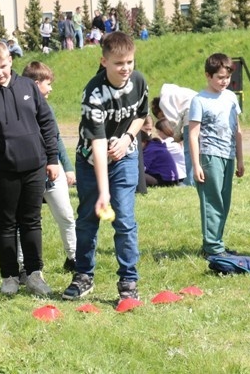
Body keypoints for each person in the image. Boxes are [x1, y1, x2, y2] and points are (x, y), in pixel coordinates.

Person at [0, 41, 59, 296]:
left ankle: (34, 274)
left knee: (32, 221)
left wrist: (52, 159)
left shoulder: (28, 86)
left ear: (11, 61)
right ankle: (9, 276)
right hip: (1, 172)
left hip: (35, 167)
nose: (0, 72)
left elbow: (47, 123)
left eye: (4, 66)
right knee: (6, 224)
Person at [62, 31, 148, 304]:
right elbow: (98, 145)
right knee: (88, 220)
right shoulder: (94, 93)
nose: (125, 69)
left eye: (130, 62)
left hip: (124, 158)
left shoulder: (138, 81)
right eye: (118, 63)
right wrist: (103, 192)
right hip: (90, 162)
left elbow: (141, 115)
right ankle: (83, 276)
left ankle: (128, 279)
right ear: (104, 61)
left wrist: (127, 139)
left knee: (124, 220)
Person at [23, 61, 77, 271]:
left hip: (53, 172)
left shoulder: (48, 109)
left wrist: (67, 166)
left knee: (66, 215)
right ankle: (24, 265)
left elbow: (56, 138)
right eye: (48, 83)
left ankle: (73, 257)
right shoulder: (20, 108)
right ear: (36, 84)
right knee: (26, 223)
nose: (51, 88)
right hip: (29, 173)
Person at [189, 53, 244, 258]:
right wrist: (196, 165)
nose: (224, 82)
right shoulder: (199, 100)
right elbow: (193, 135)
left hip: (228, 155)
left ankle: (217, 242)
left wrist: (240, 158)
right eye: (220, 77)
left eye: (227, 77)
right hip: (210, 156)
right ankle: (212, 247)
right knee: (212, 201)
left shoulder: (231, 97)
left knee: (224, 201)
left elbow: (237, 129)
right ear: (208, 75)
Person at [154, 117, 186, 183]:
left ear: (161, 131)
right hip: (183, 174)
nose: (157, 133)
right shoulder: (175, 143)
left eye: (158, 131)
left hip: (177, 177)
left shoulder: (167, 145)